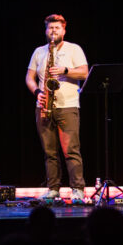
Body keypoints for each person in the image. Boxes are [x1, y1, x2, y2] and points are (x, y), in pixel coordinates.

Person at [26, 14, 88, 202]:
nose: (53, 31)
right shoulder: (39, 52)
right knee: (49, 152)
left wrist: (65, 70)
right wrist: (37, 92)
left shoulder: (74, 49)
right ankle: (53, 189)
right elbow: (29, 77)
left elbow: (85, 73)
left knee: (71, 150)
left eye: (57, 28)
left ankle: (77, 189)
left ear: (64, 30)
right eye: (50, 28)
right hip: (44, 107)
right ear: (46, 30)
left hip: (67, 106)